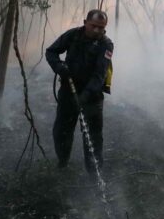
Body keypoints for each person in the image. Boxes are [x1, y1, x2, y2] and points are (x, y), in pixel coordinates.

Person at [45, 9, 114, 171]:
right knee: (62, 130)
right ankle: (62, 163)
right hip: (68, 90)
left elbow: (100, 74)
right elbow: (51, 52)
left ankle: (94, 171)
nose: (97, 30)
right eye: (94, 26)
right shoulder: (73, 35)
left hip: (92, 96)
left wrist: (86, 95)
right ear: (85, 23)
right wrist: (59, 67)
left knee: (93, 136)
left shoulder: (106, 44)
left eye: (101, 27)